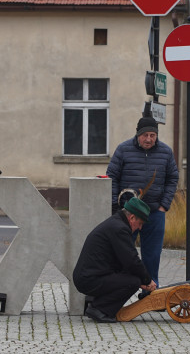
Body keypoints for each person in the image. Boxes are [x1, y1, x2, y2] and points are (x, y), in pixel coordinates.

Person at [106, 115, 179, 290]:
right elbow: (112, 178)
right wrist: (115, 207)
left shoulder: (166, 152)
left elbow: (172, 178)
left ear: (157, 135)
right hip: (127, 214)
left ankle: (151, 291)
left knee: (152, 255)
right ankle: (118, 289)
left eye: (152, 135)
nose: (148, 139)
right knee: (121, 252)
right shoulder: (123, 150)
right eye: (145, 135)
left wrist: (164, 205)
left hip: (154, 212)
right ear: (138, 134)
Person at [72, 196, 158, 323]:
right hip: (89, 279)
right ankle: (99, 309)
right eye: (140, 223)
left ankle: (93, 301)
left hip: (88, 276)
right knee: (132, 282)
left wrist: (143, 280)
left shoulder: (116, 223)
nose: (140, 228)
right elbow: (132, 261)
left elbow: (125, 262)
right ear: (132, 217)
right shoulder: (120, 229)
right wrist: (147, 280)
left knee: (130, 278)